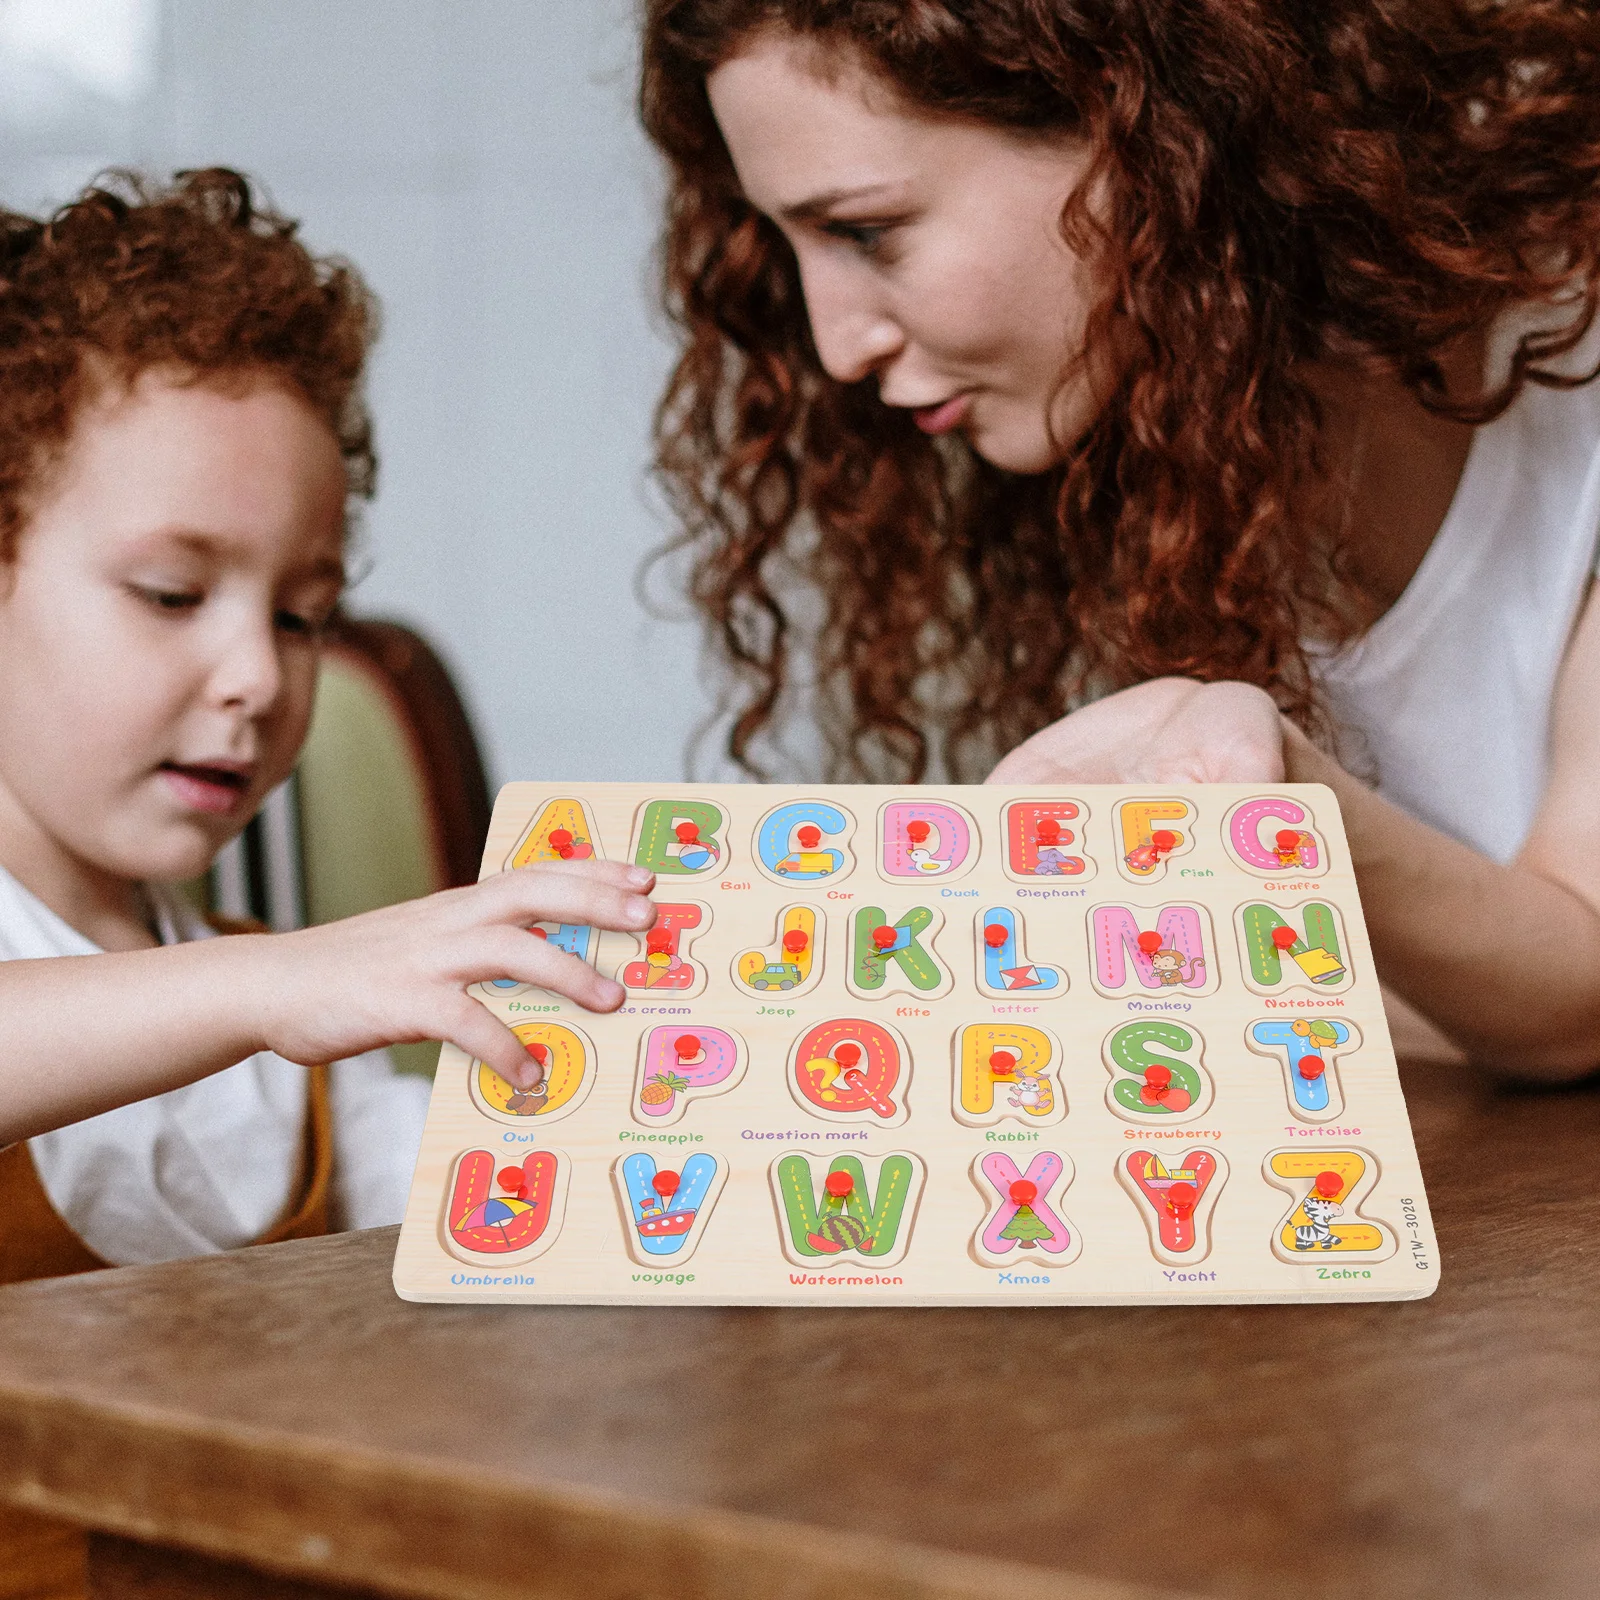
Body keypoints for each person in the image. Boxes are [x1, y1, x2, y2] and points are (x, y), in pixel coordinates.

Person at [639, 0, 1600, 1079]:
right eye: (786, 243)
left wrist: (1286, 804)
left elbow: (1582, 990)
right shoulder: (1153, 441)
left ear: (1143, 134)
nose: (834, 345)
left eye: (866, 232)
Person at [0, 171, 652, 1280]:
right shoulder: (282, 988)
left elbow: (454, 1208)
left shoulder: (295, 1019)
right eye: (170, 594)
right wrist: (275, 983)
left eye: (301, 616)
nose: (260, 676)